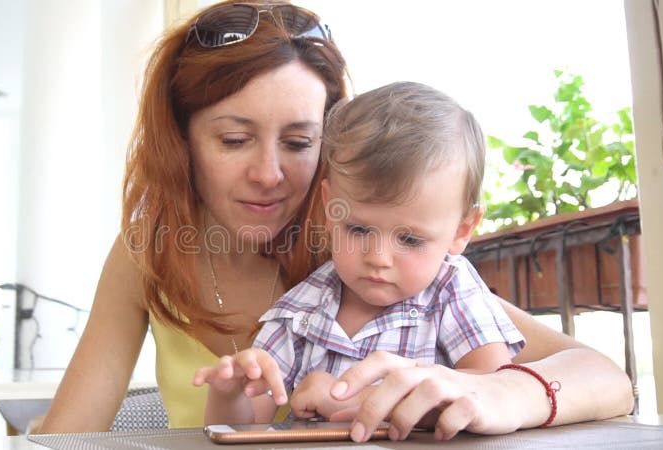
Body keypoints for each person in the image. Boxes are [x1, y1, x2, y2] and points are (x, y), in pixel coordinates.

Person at [39, 0, 633, 437]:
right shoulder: (150, 247)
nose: (269, 174)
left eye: (299, 143)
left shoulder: (366, 247)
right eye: (235, 139)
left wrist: (496, 391)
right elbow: (65, 436)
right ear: (183, 141)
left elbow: (607, 380)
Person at [193, 81, 527, 427]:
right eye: (359, 230)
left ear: (461, 230)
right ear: (330, 206)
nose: (378, 258)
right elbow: (246, 428)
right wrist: (230, 394)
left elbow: (489, 391)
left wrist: (348, 397)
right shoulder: (302, 311)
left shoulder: (450, 291)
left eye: (410, 240)